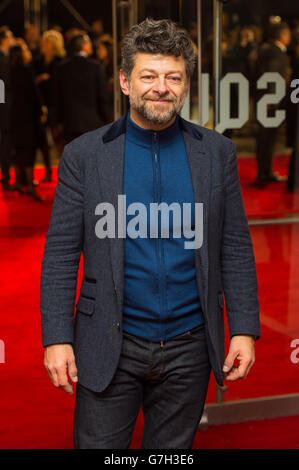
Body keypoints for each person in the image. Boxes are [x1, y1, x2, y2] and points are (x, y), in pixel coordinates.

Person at [41, 18, 260, 449]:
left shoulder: (217, 153)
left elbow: (234, 244)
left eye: (173, 77)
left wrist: (245, 328)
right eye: (149, 76)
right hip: (109, 341)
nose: (161, 87)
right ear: (125, 81)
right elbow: (61, 255)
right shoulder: (84, 156)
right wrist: (57, 338)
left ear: (186, 85)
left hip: (190, 347)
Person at [51, 31, 110, 144]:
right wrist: (106, 120)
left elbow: (56, 98)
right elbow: (102, 97)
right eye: (88, 42)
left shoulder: (61, 68)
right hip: (92, 124)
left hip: (69, 123)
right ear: (84, 46)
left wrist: (55, 123)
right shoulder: (96, 67)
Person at [254, 22, 292, 186]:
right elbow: (272, 77)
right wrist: (271, 99)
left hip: (265, 100)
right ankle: (265, 173)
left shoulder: (266, 50)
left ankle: (264, 171)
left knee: (265, 138)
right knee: (267, 138)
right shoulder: (277, 53)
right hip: (270, 102)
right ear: (282, 35)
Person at [9, 41, 46, 200]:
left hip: (13, 116)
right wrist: (41, 110)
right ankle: (30, 185)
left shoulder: (7, 72)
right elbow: (34, 94)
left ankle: (18, 182)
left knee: (17, 148)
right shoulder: (26, 71)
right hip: (27, 116)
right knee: (29, 150)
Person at [33, 29, 66, 181]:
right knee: (42, 140)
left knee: (57, 138)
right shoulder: (38, 60)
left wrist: (48, 78)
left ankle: (64, 171)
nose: (42, 44)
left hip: (55, 105)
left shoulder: (60, 61)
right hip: (40, 103)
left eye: (46, 42)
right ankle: (47, 171)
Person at [0, 26, 15, 191]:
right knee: (5, 144)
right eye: (10, 37)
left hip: (4, 107)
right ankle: (5, 178)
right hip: (4, 109)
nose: (13, 40)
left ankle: (6, 177)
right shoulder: (2, 59)